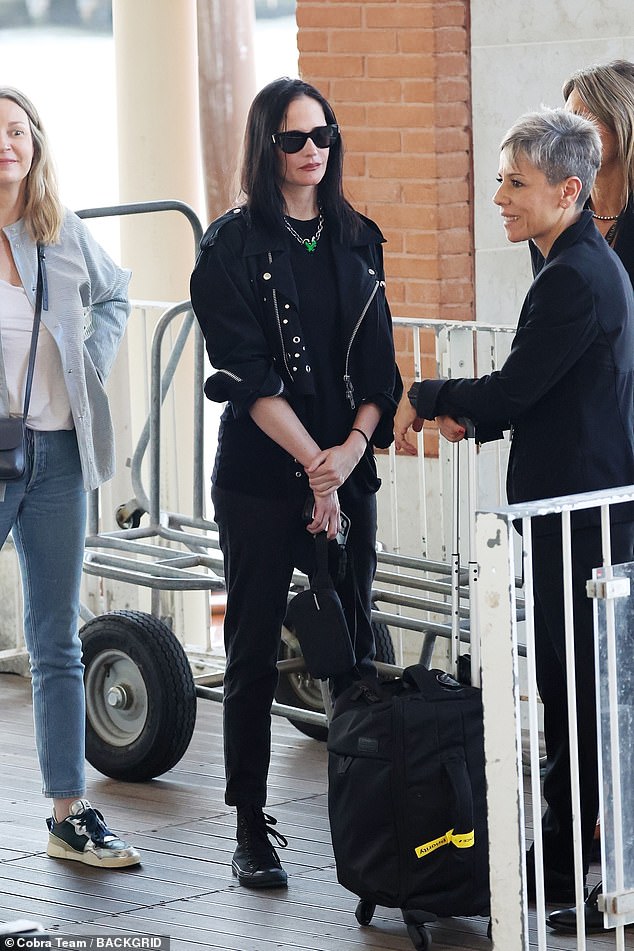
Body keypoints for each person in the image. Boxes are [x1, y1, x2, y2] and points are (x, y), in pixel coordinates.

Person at [394, 107, 634, 923]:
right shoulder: (571, 264)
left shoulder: (572, 275)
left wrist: (429, 397)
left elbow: (515, 388)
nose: (498, 194)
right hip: (576, 511)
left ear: (570, 190)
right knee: (574, 697)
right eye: (500, 177)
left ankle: (567, 867)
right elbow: (544, 390)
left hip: (581, 520)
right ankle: (568, 860)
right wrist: (481, 412)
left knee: (576, 702)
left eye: (515, 182)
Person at [190, 77, 401, 889]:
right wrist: (316, 466)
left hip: (346, 471)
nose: (313, 150)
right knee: (250, 652)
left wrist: (344, 458)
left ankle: (372, 818)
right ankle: (250, 825)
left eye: (323, 136)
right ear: (265, 148)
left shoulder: (359, 237)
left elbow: (380, 371)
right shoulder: (230, 248)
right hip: (260, 477)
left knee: (350, 645)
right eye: (294, 139)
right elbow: (246, 373)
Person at [0, 88, 140, 867]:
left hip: (56, 460)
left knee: (56, 643)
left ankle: (67, 813)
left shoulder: (60, 233)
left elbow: (116, 293)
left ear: (35, 142)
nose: (7, 146)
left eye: (16, 131)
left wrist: (92, 362)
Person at [543, 58, 634, 934]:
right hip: (603, 483)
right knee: (593, 681)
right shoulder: (593, 235)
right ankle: (584, 853)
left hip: (619, 486)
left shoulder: (605, 249)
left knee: (612, 682)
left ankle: (600, 861)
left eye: (588, 127)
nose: (578, 140)